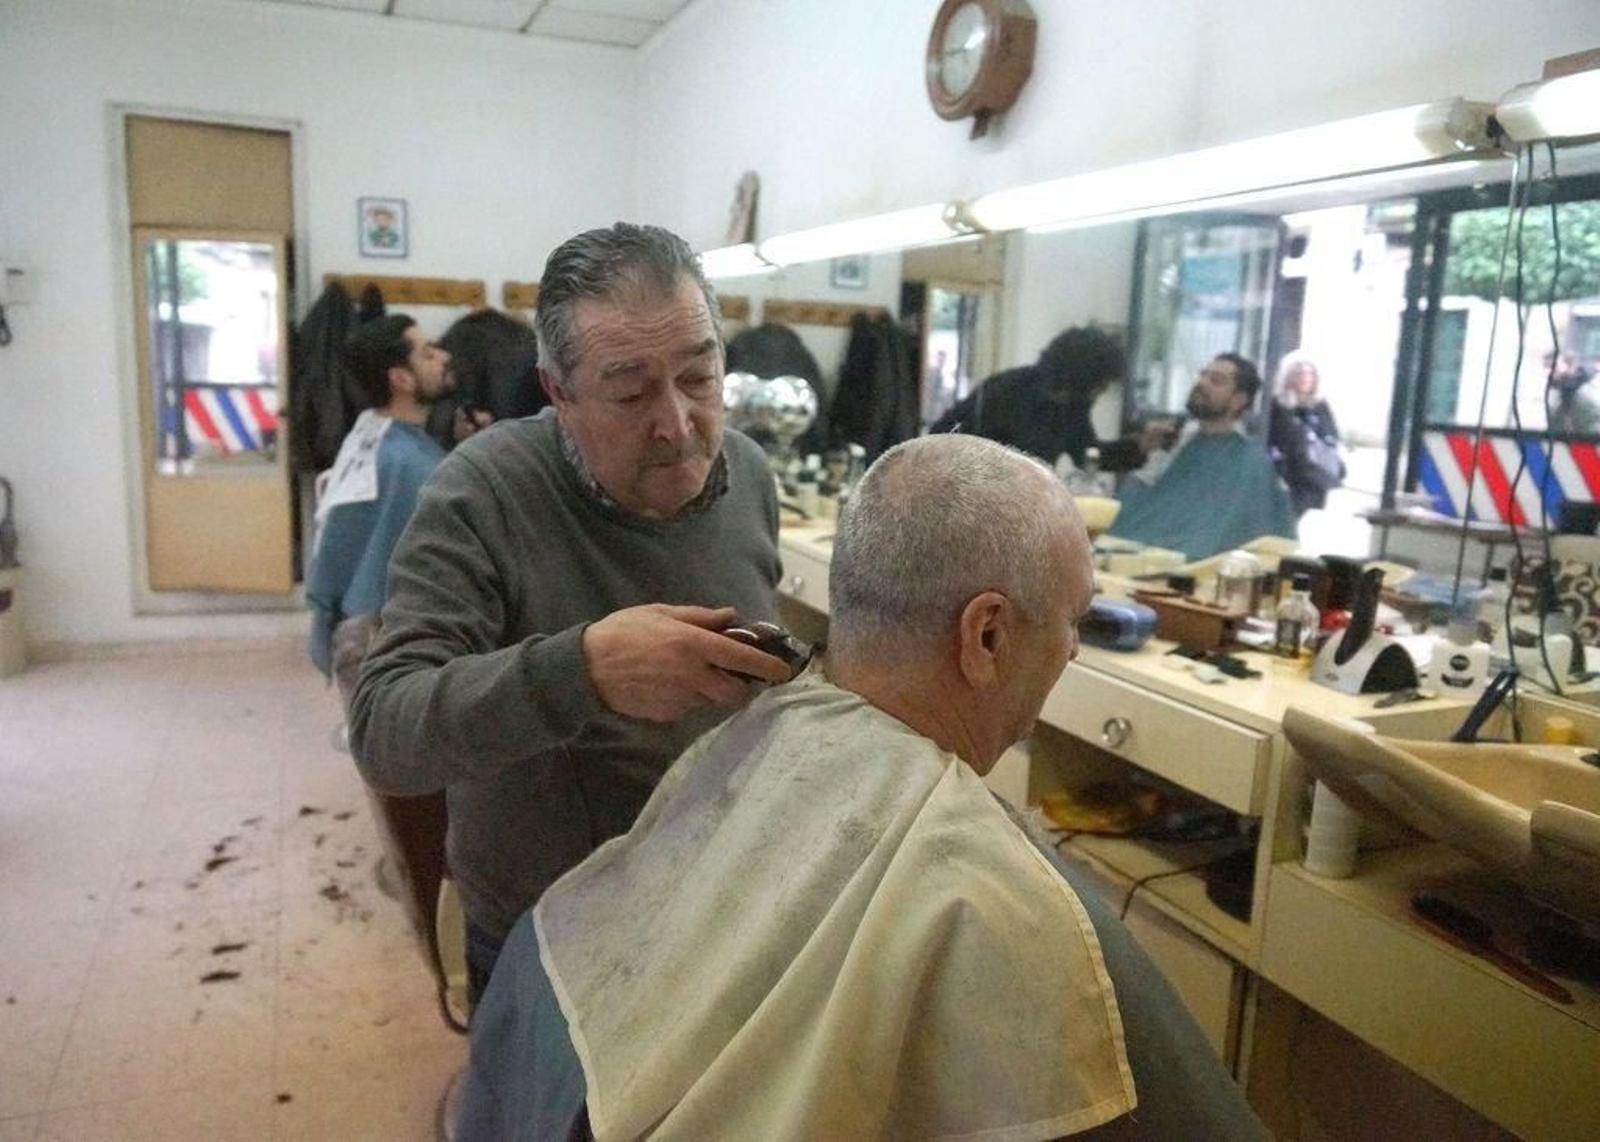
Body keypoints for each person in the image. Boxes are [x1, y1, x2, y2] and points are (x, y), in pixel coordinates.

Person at [457, 435, 1265, 1139]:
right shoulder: (999, 898)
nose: (1074, 651)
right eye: (1071, 621)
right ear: (985, 635)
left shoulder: (764, 733)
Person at [348, 223, 795, 1004]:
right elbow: (386, 728)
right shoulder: (483, 492)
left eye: (699, 377)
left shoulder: (749, 475)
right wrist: (583, 672)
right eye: (629, 393)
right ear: (558, 393)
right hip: (552, 941)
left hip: (718, 912)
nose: (677, 424)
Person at [305, 314, 453, 682]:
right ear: (401, 379)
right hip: (387, 637)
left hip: (361, 625)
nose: (443, 357)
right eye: (428, 353)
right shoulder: (404, 462)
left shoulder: (371, 436)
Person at [1106, 352, 1296, 560]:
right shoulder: (1176, 444)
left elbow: (1239, 534)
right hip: (1134, 553)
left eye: (1216, 380)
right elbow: (1133, 505)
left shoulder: (1251, 464)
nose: (1202, 383)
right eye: (1203, 375)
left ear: (1238, 400)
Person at [927, 324, 1162, 473]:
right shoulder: (1006, 389)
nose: (1100, 392)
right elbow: (940, 436)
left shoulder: (1072, 407)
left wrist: (1140, 445)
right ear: (1083, 377)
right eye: (1101, 385)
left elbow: (1087, 455)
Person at [1267, 351, 1344, 517]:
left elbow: (1331, 435)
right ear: (1288, 376)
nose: (1305, 378)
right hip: (1286, 475)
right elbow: (1272, 437)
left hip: (1314, 477)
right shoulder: (1278, 405)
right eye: (1300, 373)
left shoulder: (1320, 405)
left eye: (1310, 374)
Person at [1546, 350, 1600, 436]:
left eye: (1553, 366)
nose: (1548, 371)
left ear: (1568, 364)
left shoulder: (1589, 389)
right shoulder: (1559, 394)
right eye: (1546, 366)